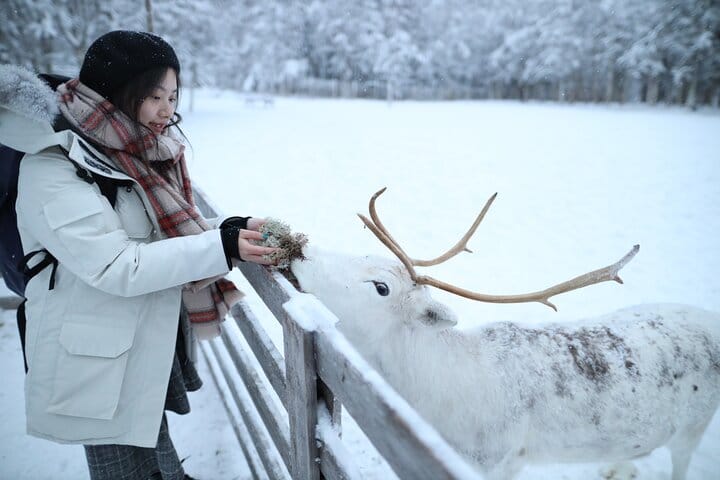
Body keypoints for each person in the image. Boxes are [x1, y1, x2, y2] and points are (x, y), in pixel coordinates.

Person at [0, 30, 279, 479]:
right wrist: (220, 247)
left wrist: (226, 230)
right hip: (90, 361)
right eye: (154, 96)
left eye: (173, 96)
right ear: (116, 92)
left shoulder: (124, 153)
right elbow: (117, 265)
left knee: (157, 463)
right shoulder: (52, 163)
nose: (167, 111)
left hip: (132, 342)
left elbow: (154, 236)